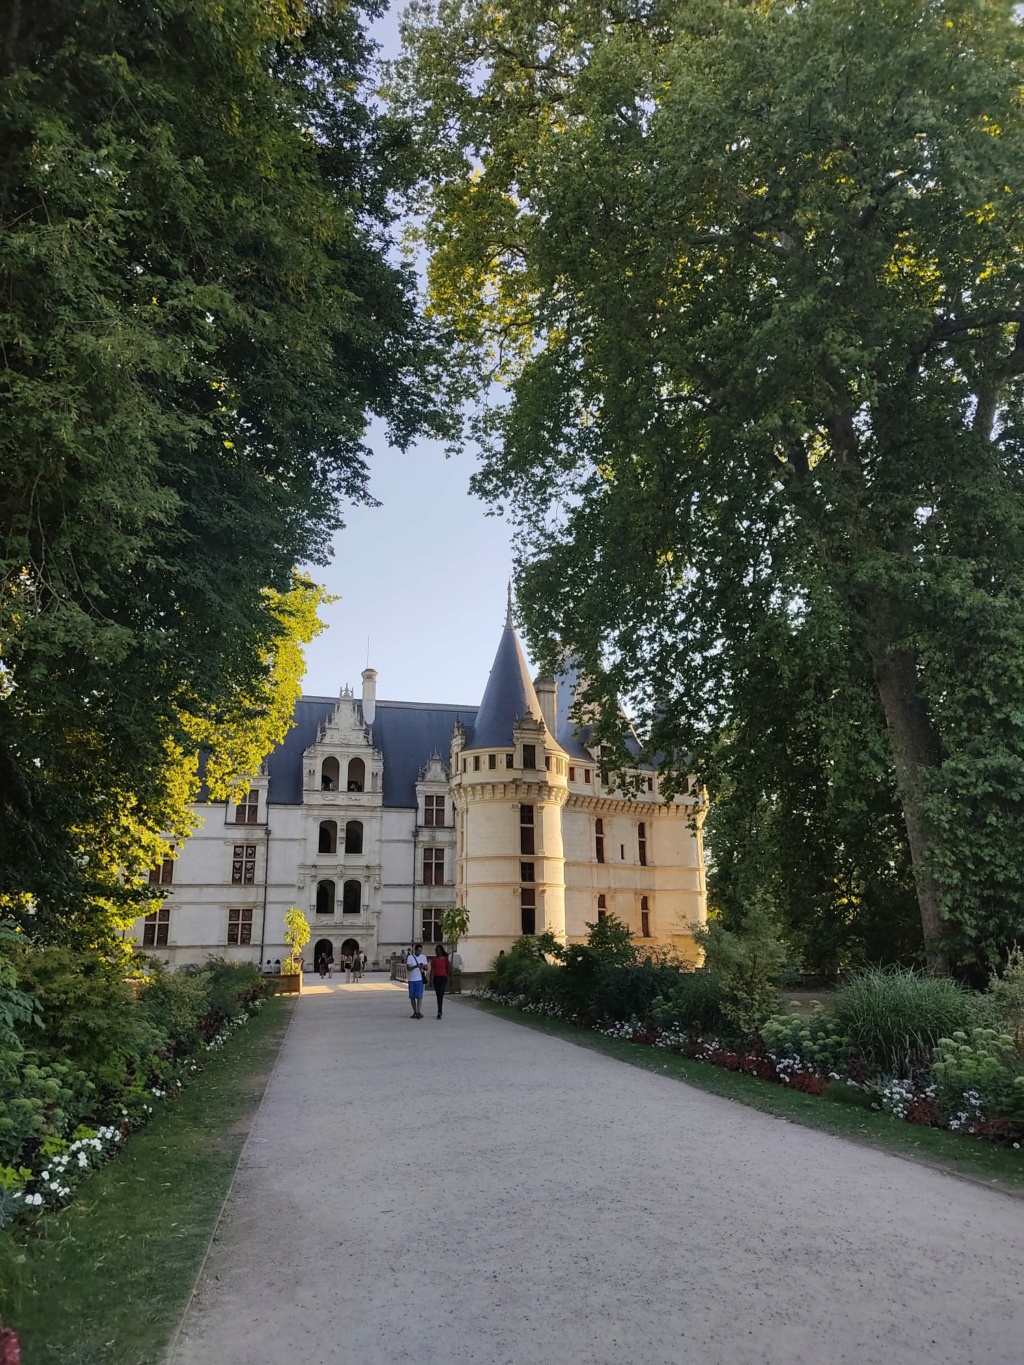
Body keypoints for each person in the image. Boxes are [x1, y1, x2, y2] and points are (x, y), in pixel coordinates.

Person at [406, 942, 428, 1019]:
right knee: (412, 997)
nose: (419, 952)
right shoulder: (410, 957)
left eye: (420, 951)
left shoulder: (423, 957)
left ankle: (418, 1011)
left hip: (419, 979)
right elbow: (408, 968)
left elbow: (426, 967)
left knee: (419, 996)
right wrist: (416, 966)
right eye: (418, 951)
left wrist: (423, 967)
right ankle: (414, 1011)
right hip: (411, 979)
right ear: (415, 950)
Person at [430, 943, 450, 1019]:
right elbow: (432, 969)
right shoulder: (434, 959)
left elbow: (448, 968)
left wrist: (449, 978)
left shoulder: (445, 959)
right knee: (438, 994)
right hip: (436, 978)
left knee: (441, 994)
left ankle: (439, 1011)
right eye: (436, 950)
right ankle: (439, 1010)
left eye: (438, 950)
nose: (436, 952)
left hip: (443, 978)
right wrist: (431, 979)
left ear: (441, 951)